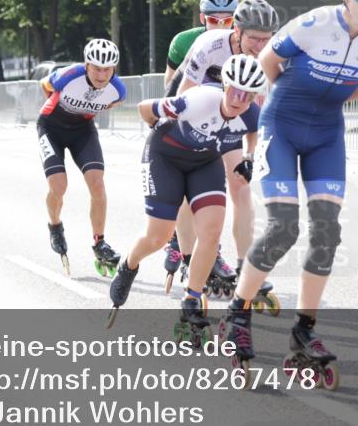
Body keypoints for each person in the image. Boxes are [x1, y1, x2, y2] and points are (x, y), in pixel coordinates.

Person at [222, 0, 358, 389]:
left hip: (327, 134)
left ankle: (304, 330)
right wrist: (282, 100)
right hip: (283, 126)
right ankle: (237, 314)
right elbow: (267, 62)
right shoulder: (312, 24)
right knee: (283, 228)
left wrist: (342, 98)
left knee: (327, 231)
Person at [107, 55, 267, 334]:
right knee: (158, 236)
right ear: (224, 85)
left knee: (211, 232)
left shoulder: (250, 113)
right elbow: (145, 109)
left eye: (247, 95)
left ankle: (191, 299)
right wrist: (158, 128)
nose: (238, 99)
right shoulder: (198, 100)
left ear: (254, 97)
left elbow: (253, 131)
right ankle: (128, 265)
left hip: (204, 162)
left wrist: (249, 157)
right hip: (165, 157)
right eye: (234, 90)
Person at [164, 0, 282, 304]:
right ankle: (191, 258)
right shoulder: (210, 45)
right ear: (237, 31)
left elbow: (256, 110)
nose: (260, 46)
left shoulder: (266, 57)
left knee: (241, 186)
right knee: (190, 190)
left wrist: (250, 156)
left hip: (230, 113)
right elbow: (183, 95)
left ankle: (246, 267)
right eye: (254, 38)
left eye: (266, 39)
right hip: (193, 108)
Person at [37, 38, 126, 277]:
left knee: (97, 183)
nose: (102, 75)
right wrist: (57, 105)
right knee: (58, 186)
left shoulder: (118, 90)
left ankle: (100, 242)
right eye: (96, 68)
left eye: (107, 69)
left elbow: (107, 104)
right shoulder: (68, 75)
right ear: (86, 65)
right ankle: (55, 225)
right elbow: (44, 85)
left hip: (82, 131)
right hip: (51, 127)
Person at [163, 0, 238, 91]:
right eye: (213, 20)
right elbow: (170, 83)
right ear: (203, 19)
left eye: (227, 21)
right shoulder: (182, 42)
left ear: (234, 21)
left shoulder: (243, 43)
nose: (220, 26)